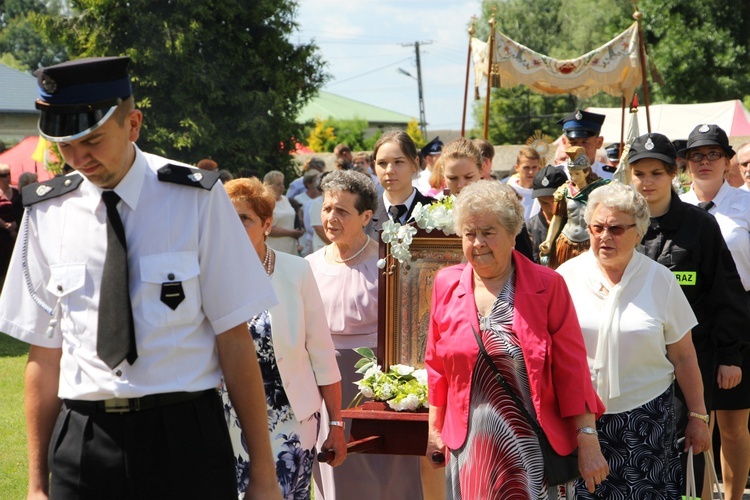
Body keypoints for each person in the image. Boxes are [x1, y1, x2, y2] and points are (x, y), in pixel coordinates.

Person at [0, 56, 281, 499]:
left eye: (91, 140)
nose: (78, 158)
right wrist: (37, 485)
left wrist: (264, 472)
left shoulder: (196, 201)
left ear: (133, 124)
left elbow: (234, 338)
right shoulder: (46, 212)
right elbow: (44, 354)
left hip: (184, 438)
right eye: (65, 146)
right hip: (84, 437)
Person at [425, 180, 608, 499]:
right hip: (470, 449)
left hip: (533, 449)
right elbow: (437, 365)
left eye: (488, 232)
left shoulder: (547, 285)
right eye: (469, 233)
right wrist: (433, 429)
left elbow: (572, 368)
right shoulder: (446, 283)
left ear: (512, 234)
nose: (478, 243)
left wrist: (588, 438)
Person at [556, 182, 711, 499]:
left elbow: (684, 357)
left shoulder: (661, 279)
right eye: (597, 227)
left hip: (647, 420)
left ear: (639, 232)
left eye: (615, 228)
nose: (604, 236)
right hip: (579, 418)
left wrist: (698, 416)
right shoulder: (565, 277)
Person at [629, 132, 750, 496]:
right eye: (639, 174)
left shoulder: (700, 225)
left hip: (692, 358)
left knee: (688, 446)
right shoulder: (623, 224)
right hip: (637, 360)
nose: (647, 182)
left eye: (656, 173)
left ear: (672, 174)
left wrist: (730, 355)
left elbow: (725, 293)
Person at [221, 177, 346, 499]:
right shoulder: (209, 274)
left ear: (266, 224)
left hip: (290, 417)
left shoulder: (296, 271)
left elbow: (321, 352)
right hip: (225, 417)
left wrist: (336, 425)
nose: (234, 228)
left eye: (244, 219)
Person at [306, 170, 424, 499]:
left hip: (380, 383)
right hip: (325, 383)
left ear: (366, 216)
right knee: (338, 470)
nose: (331, 217)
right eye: (327, 208)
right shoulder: (309, 265)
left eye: (342, 211)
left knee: (388, 472)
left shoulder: (389, 263)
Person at [678, 124, 750, 500]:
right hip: (690, 327)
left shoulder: (747, 205)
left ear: (727, 160)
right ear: (686, 163)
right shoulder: (675, 208)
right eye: (696, 156)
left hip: (740, 324)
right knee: (698, 424)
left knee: (735, 426)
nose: (705, 162)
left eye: (713, 154)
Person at [442, 137, 536, 262]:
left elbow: (525, 261)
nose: (461, 185)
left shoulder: (505, 208)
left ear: (481, 170)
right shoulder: (436, 214)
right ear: (443, 175)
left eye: (468, 176)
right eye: (453, 178)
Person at [538, 147, 610, 269]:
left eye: (577, 173)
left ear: (586, 172)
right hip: (567, 241)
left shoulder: (598, 190)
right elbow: (557, 218)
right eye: (571, 174)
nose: (574, 177)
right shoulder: (565, 190)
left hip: (588, 241)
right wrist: (549, 241)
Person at [365, 131, 434, 239]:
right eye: (382, 163)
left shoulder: (435, 212)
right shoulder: (364, 217)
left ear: (415, 164)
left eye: (398, 162)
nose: (389, 170)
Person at [526, 165, 568, 264]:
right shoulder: (528, 228)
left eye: (555, 201)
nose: (551, 208)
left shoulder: (575, 225)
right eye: (544, 203)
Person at [558, 109, 615, 179]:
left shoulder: (612, 177)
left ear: (599, 142)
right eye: (573, 143)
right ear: (564, 142)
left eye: (585, 143)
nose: (578, 148)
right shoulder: (554, 176)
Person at [264, 170, 304, 255]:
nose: (282, 187)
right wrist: (291, 233)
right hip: (274, 247)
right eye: (278, 184)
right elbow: (267, 228)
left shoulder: (285, 199)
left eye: (282, 184)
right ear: (269, 186)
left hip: (290, 246)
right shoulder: (265, 203)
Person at [506, 147, 542, 220]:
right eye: (526, 167)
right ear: (517, 167)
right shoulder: (509, 191)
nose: (531, 172)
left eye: (534, 167)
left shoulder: (543, 191)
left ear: (539, 168)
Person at [292, 170, 322, 257]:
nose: (318, 183)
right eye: (315, 180)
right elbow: (298, 221)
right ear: (308, 183)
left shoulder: (322, 199)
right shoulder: (298, 198)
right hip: (306, 238)